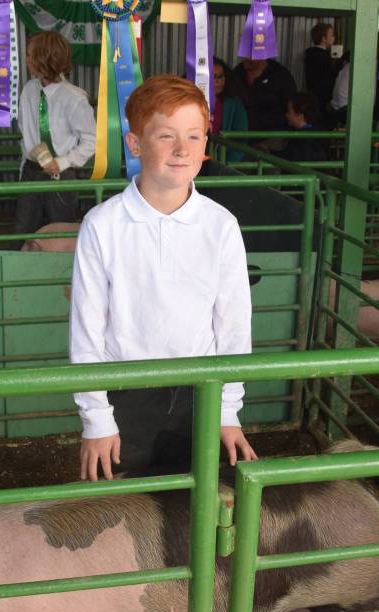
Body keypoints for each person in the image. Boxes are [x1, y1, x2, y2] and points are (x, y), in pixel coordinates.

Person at [69, 75, 257, 482]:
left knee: (199, 508)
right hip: (125, 393)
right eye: (166, 135)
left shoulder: (221, 225)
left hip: (202, 393)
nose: (181, 149)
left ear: (206, 145)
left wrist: (227, 410)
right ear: (135, 144)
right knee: (121, 514)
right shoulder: (102, 225)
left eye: (194, 136)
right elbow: (87, 328)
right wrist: (96, 417)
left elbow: (234, 325)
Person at [15, 31, 95, 238]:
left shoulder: (74, 98)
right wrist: (29, 159)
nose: (27, 59)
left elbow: (91, 140)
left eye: (30, 55)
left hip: (61, 175)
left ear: (43, 60)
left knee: (61, 231)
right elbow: (24, 128)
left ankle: (62, 270)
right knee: (24, 230)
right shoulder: (28, 91)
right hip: (31, 172)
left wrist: (63, 162)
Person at [231, 56, 297, 149]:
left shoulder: (280, 75)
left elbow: (292, 105)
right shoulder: (237, 73)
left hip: (272, 138)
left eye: (250, 54)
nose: (244, 57)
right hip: (240, 137)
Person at [211, 57, 248, 163]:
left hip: (222, 162)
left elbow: (241, 139)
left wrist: (226, 165)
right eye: (214, 76)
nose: (218, 81)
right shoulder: (189, 102)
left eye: (221, 76)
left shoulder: (235, 104)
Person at [281, 92, 329, 163]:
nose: (286, 115)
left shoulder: (301, 139)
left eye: (289, 112)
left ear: (300, 115)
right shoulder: (317, 133)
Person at [304, 22, 340, 115]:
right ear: (323, 38)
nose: (333, 38)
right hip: (323, 100)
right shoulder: (323, 57)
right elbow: (330, 78)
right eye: (331, 35)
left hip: (313, 97)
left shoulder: (311, 54)